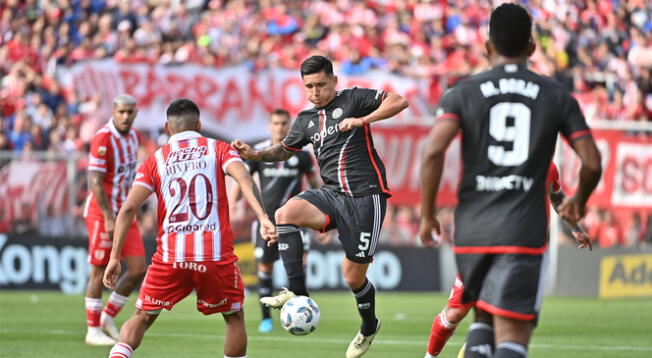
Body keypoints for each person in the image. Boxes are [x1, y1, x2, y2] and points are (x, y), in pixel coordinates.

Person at [418, 4, 602, 358]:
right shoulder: (556, 96)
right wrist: (580, 200)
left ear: (488, 47)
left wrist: (427, 215)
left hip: (472, 231)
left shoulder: (462, 92)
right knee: (512, 339)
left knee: (482, 322)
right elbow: (592, 162)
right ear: (532, 47)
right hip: (521, 234)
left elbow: (431, 153)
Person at [231, 55, 409, 358]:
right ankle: (298, 294)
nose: (315, 91)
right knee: (284, 214)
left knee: (352, 277)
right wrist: (255, 154)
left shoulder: (353, 99)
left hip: (366, 197)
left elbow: (399, 101)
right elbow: (284, 150)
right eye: (309, 86)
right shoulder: (305, 120)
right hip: (331, 194)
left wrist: (363, 120)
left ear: (334, 81)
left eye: (320, 85)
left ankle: (368, 326)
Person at [103, 98, 276, 358]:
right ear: (199, 124)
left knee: (143, 317)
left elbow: (128, 209)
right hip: (214, 255)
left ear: (167, 127)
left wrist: (115, 257)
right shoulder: (219, 149)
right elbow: (244, 178)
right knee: (234, 317)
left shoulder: (154, 161)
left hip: (171, 257)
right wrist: (263, 217)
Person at [423, 163, 593, 358]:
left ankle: (476, 346)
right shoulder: (495, 161)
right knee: (455, 313)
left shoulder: (546, 165)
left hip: (520, 255)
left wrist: (575, 228)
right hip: (483, 248)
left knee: (506, 320)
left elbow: (556, 197)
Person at [230, 108, 320, 333]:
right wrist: (234, 204)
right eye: (276, 123)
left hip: (296, 221)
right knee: (265, 267)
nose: (280, 127)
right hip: (267, 221)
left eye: (283, 123)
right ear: (270, 126)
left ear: (289, 126)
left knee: (300, 264)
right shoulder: (259, 152)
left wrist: (324, 208)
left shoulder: (301, 154)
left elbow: (315, 183)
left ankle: (302, 313)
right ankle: (266, 319)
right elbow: (243, 180)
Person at [83, 94, 146, 346]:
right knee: (99, 270)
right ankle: (92, 330)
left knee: (138, 269)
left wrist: (134, 207)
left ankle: (106, 317)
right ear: (113, 111)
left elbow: (130, 177)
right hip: (103, 213)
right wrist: (109, 216)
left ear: (135, 113)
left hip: (125, 213)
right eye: (121, 112)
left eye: (130, 112)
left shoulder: (134, 137)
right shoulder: (103, 138)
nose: (126, 117)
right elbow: (95, 182)